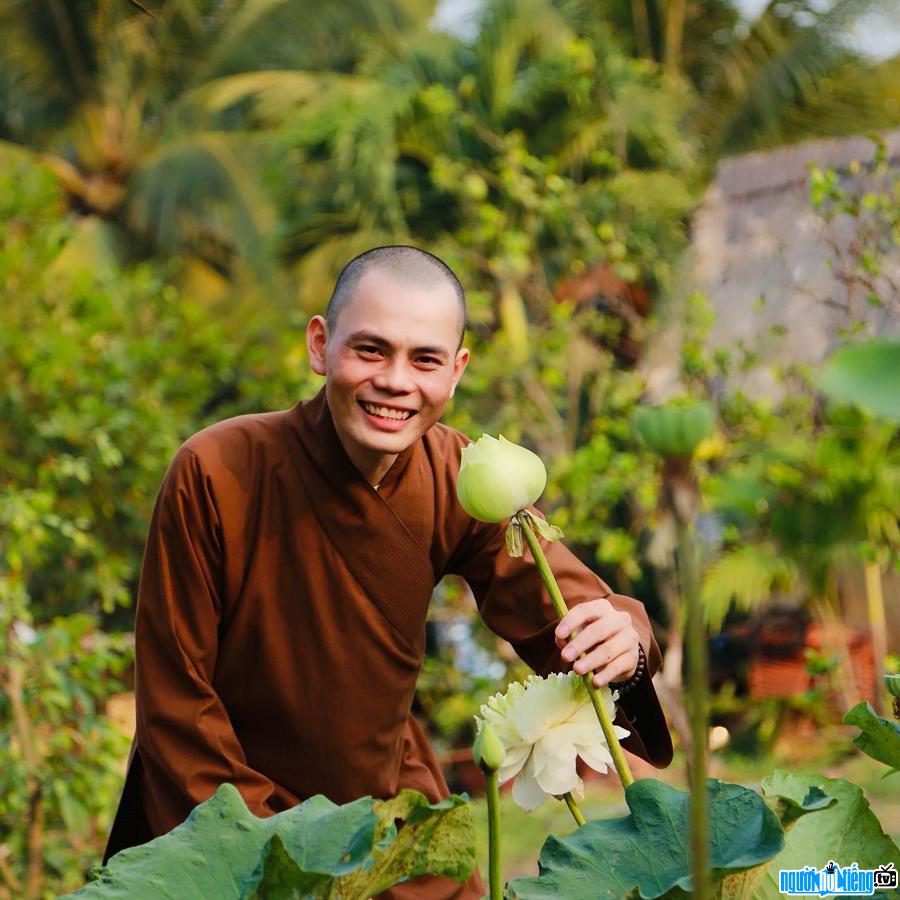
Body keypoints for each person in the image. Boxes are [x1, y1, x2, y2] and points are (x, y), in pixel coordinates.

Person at [103, 246, 672, 897]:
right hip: (230, 820)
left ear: (456, 371)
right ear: (320, 345)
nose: (397, 381)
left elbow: (565, 609)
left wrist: (624, 639)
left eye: (424, 359)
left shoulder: (462, 475)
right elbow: (178, 702)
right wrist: (266, 854)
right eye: (370, 350)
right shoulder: (217, 470)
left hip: (384, 820)